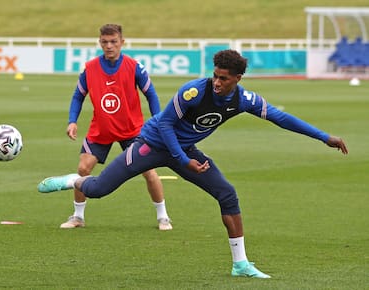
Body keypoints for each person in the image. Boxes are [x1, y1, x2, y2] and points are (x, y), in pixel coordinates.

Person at [38, 49, 348, 278]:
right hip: (151, 145)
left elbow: (281, 117)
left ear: (237, 79)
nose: (216, 81)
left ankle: (240, 263)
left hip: (184, 151)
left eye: (223, 78)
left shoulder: (243, 99)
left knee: (227, 194)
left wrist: (323, 137)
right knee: (98, 188)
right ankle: (70, 180)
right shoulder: (193, 90)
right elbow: (164, 126)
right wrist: (184, 160)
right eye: (215, 75)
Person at [57, 24, 172, 230]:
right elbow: (78, 96)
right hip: (101, 129)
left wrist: (158, 122)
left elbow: (151, 95)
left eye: (113, 42)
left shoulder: (135, 67)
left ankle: (163, 217)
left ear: (122, 42)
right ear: (100, 42)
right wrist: (72, 120)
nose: (109, 46)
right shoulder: (90, 68)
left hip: (133, 130)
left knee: (149, 171)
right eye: (105, 42)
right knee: (83, 168)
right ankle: (78, 217)